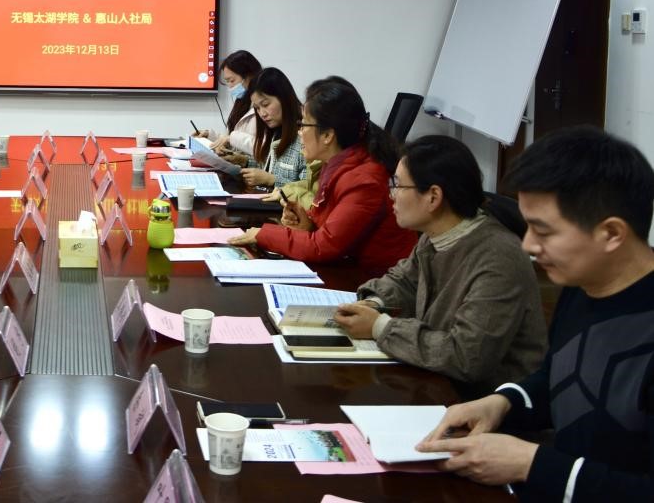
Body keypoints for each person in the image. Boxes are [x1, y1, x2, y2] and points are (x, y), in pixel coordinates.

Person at [418, 126, 654, 501]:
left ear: (611, 233)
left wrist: (532, 463)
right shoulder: (582, 283)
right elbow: (560, 377)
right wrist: (502, 403)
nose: (527, 245)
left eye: (543, 231)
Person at [332, 135, 546, 392]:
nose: (391, 195)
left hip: (486, 403)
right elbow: (404, 280)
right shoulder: (436, 233)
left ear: (433, 197)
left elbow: (467, 357)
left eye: (398, 185)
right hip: (436, 382)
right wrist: (372, 303)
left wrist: (380, 326)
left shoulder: (499, 258)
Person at [227, 77, 416, 274]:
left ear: (327, 135)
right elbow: (332, 230)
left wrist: (263, 234)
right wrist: (307, 224)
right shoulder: (335, 164)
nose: (299, 133)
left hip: (372, 278)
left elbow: (323, 246)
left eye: (304, 125)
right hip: (347, 267)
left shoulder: (365, 181)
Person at [239, 67, 310, 190]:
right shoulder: (276, 130)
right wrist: (243, 161)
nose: (262, 113)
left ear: (284, 98)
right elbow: (269, 167)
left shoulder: (306, 135)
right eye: (257, 108)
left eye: (265, 105)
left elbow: (308, 190)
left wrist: (272, 180)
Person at [195, 50, 261, 157]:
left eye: (232, 80)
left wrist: (232, 138)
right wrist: (210, 136)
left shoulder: (263, 108)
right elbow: (231, 141)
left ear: (249, 76)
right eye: (227, 82)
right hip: (236, 164)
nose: (230, 86)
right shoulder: (241, 102)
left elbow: (263, 148)